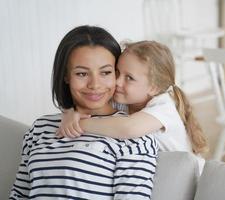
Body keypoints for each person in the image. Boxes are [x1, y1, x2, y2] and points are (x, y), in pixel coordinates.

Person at [10, 26, 158, 200]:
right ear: (66, 76)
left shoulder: (135, 136)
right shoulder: (40, 127)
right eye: (81, 73)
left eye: (105, 72)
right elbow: (19, 194)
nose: (95, 84)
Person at [57, 40, 208, 172]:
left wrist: (80, 123)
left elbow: (128, 128)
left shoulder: (164, 106)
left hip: (192, 184)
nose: (117, 82)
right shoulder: (126, 99)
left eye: (129, 78)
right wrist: (70, 112)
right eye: (117, 72)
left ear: (154, 87)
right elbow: (91, 106)